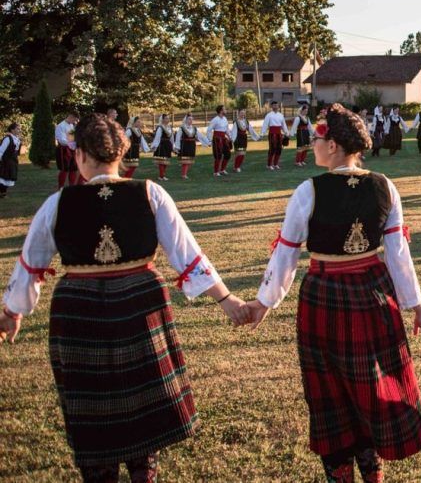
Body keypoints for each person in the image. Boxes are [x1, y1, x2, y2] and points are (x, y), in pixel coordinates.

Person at [0, 114, 246, 481]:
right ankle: (143, 470)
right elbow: (187, 254)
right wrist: (228, 301)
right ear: (122, 152)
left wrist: (12, 313)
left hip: (78, 309)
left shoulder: (57, 203)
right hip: (140, 304)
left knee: (92, 404)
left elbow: (31, 264)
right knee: (142, 398)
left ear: (79, 154)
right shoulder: (151, 192)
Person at [243, 104, 421, 482]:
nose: (313, 145)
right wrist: (417, 307)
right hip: (374, 294)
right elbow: (397, 255)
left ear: (332, 145)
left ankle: (342, 476)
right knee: (369, 387)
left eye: (317, 139)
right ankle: (371, 475)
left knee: (330, 394)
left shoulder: (308, 190)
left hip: (324, 296)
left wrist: (265, 302)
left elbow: (287, 252)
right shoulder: (385, 185)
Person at [175, 114, 209, 180]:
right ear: (186, 120)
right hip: (184, 146)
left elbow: (200, 136)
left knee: (189, 161)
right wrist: (177, 147)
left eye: (192, 119)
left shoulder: (194, 128)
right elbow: (178, 137)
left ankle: (184, 173)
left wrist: (208, 142)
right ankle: (183, 175)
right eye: (189, 119)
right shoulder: (182, 128)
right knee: (185, 161)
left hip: (191, 145)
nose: (191, 121)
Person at [55, 110, 80, 188]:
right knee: (64, 169)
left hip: (72, 149)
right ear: (71, 117)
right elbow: (62, 140)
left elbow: (72, 137)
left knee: (73, 168)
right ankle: (61, 187)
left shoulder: (71, 125)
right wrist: (72, 143)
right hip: (64, 150)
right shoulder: (61, 126)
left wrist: (75, 143)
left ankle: (71, 186)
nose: (75, 122)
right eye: (75, 119)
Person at [262, 101, 290, 170]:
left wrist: (286, 132)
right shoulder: (269, 115)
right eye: (274, 105)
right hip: (272, 134)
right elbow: (265, 125)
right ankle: (269, 165)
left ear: (278, 106)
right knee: (272, 149)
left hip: (279, 134)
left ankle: (275, 164)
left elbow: (283, 125)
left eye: (277, 105)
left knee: (279, 149)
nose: (276, 107)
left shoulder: (280, 115)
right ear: (271, 107)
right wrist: (262, 133)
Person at [207, 105, 233, 177]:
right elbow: (209, 130)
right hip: (217, 139)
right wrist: (209, 140)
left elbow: (226, 129)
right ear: (221, 111)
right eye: (224, 109)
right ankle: (216, 172)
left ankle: (222, 170)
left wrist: (229, 136)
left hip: (224, 138)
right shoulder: (215, 120)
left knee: (228, 154)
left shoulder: (225, 119)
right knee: (218, 155)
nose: (226, 110)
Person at [150, 114, 175, 181]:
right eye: (166, 118)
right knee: (162, 161)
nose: (168, 120)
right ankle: (161, 176)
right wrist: (155, 145)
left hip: (167, 145)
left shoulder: (169, 127)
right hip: (161, 145)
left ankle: (162, 175)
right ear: (163, 119)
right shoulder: (160, 127)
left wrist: (173, 146)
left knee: (166, 161)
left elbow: (171, 137)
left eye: (168, 118)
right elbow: (157, 137)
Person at [0, 123, 21, 198]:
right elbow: (1, 150)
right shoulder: (8, 138)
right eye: (17, 129)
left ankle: (3, 193)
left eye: (19, 129)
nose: (19, 130)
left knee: (9, 176)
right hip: (6, 160)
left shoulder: (17, 139)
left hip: (13, 161)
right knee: (3, 176)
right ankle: (2, 193)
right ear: (12, 130)